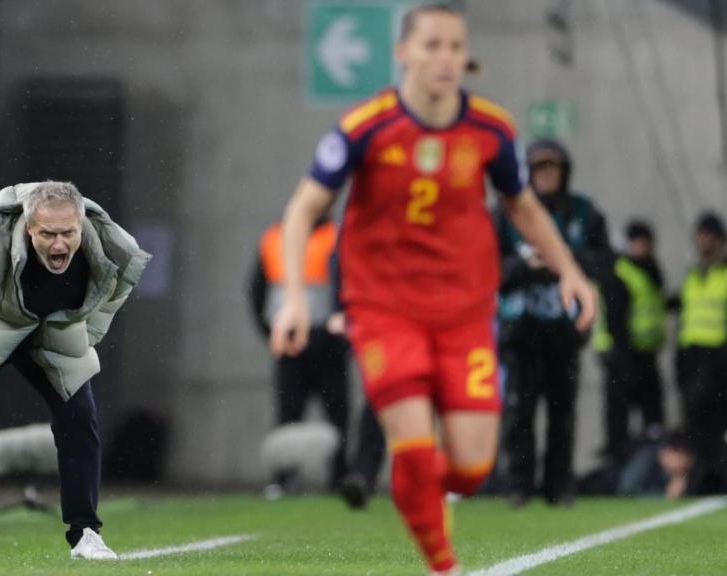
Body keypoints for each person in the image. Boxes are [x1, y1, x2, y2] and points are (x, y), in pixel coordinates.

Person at [269, 5, 595, 575]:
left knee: (470, 467)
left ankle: (414, 488)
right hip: (384, 310)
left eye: (455, 47)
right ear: (404, 53)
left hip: (465, 312)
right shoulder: (365, 127)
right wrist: (297, 297)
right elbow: (303, 209)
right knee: (414, 445)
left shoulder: (491, 130)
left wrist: (570, 269)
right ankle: (444, 565)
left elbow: (522, 205)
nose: (446, 59)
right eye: (433, 45)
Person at [0, 181, 150, 562]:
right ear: (28, 227)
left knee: (80, 414)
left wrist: (87, 335)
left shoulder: (108, 245)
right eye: (48, 234)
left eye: (68, 233)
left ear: (81, 225)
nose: (59, 246)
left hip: (51, 330)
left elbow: (117, 286)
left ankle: (86, 533)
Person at [495, 138, 611, 508]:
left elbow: (604, 262)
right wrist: (523, 266)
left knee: (563, 411)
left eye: (553, 167)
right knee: (519, 412)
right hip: (520, 329)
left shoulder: (584, 213)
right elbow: (485, 268)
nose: (546, 174)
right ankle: (519, 485)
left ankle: (559, 485)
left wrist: (562, 258)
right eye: (539, 168)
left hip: (563, 331)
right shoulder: (505, 212)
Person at [248, 218, 350, 494]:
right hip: (290, 344)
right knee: (288, 412)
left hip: (328, 342)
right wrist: (269, 330)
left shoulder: (336, 236)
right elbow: (258, 290)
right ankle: (285, 478)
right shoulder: (273, 238)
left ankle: (340, 477)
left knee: (337, 412)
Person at [593, 220, 667, 464]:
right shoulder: (621, 271)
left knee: (652, 418)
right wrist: (622, 356)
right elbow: (616, 318)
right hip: (621, 355)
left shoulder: (650, 270)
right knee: (618, 419)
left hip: (645, 354)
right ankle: (617, 469)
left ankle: (649, 469)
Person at [674, 212, 727, 491]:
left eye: (710, 235)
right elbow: (685, 318)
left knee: (718, 424)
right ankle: (699, 481)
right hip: (693, 358)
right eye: (701, 234)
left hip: (719, 358)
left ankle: (718, 479)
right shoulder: (692, 274)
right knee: (695, 424)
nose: (705, 240)